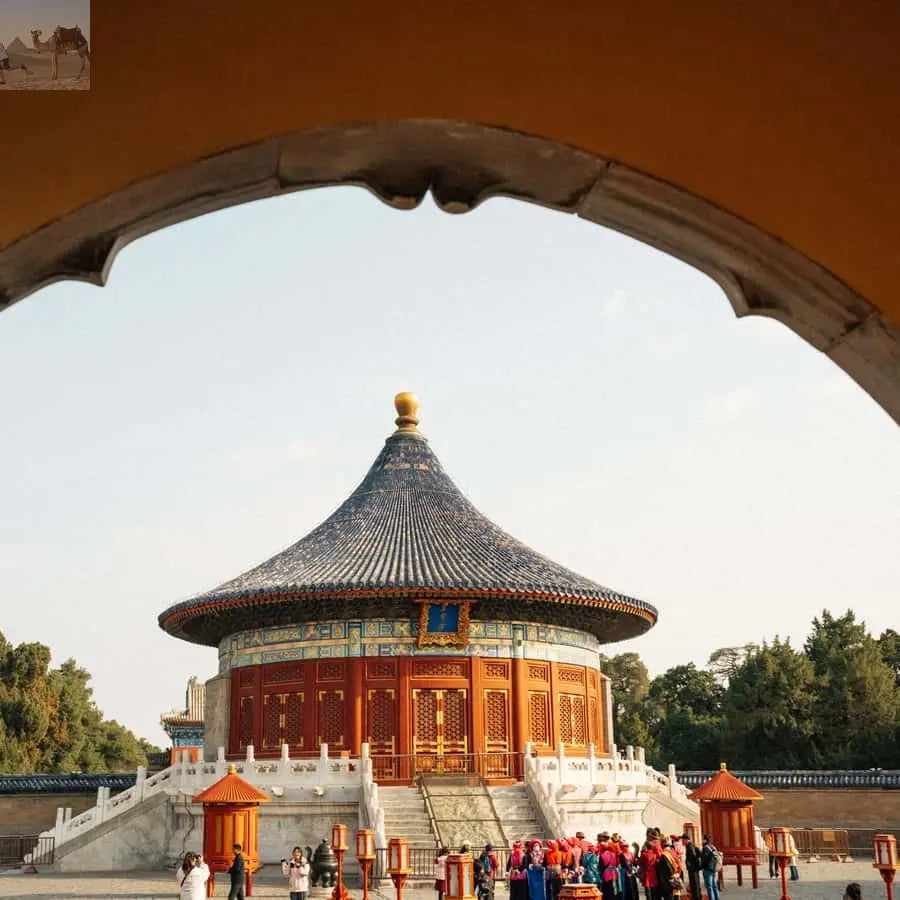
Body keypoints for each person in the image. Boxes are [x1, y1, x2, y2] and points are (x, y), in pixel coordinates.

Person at [699, 836, 720, 900]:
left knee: (709, 887)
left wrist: (700, 867)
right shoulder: (713, 847)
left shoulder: (705, 848)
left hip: (708, 869)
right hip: (714, 869)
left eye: (703, 839)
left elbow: (704, 860)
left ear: (705, 840)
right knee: (715, 886)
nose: (702, 841)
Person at [682, 834, 702, 900]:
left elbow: (693, 855)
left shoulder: (690, 846)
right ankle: (697, 897)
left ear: (686, 839)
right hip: (694, 868)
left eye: (683, 840)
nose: (682, 841)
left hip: (693, 869)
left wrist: (689, 862)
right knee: (695, 883)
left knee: (694, 884)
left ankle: (696, 897)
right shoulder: (691, 845)